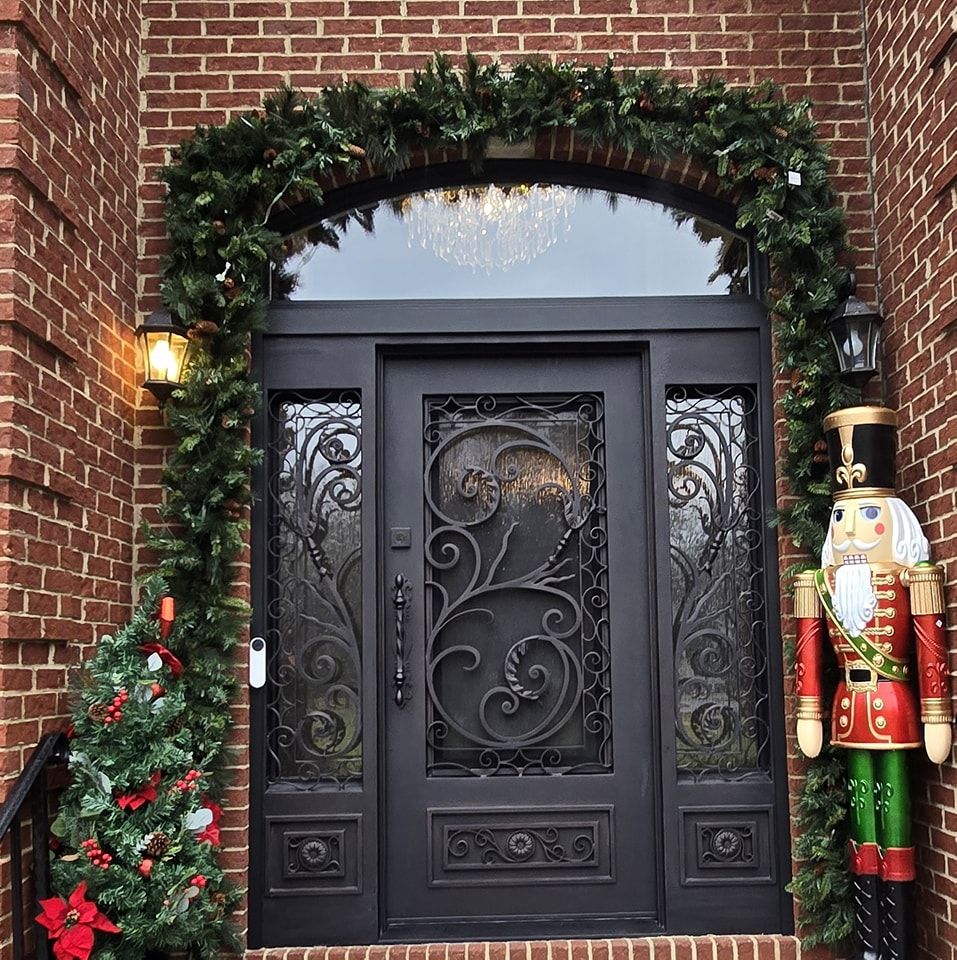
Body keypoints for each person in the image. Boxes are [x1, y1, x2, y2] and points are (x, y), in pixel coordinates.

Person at [793, 405, 952, 960]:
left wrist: (937, 713)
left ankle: (900, 938)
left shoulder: (913, 577)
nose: (855, 530)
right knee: (863, 814)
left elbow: (929, 644)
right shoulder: (820, 581)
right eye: (844, 519)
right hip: (848, 707)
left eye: (867, 518)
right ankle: (869, 940)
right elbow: (809, 650)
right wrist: (809, 710)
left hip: (894, 700)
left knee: (897, 812)